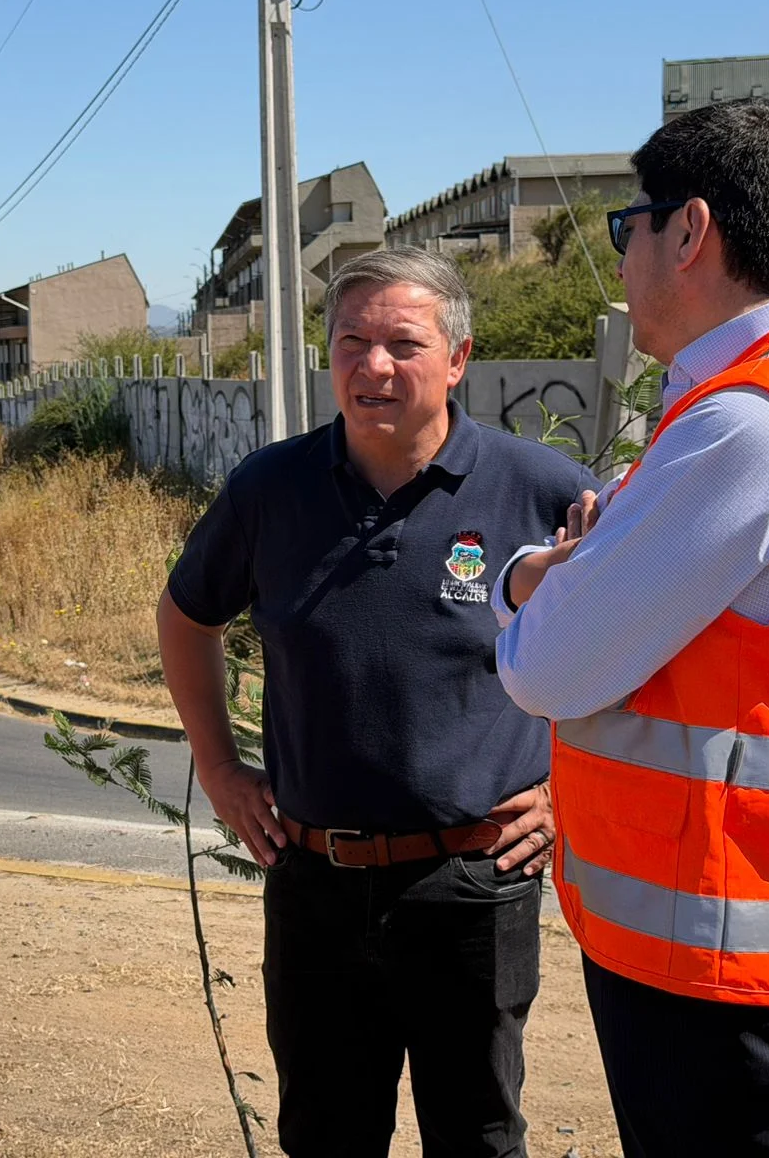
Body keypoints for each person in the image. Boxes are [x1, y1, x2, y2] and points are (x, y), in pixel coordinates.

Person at [494, 100, 769, 1158]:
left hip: (714, 934)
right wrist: (574, 572)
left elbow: (544, 667)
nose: (623, 251)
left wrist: (531, 576)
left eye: (624, 225)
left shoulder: (746, 423)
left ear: (688, 233)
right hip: (732, 918)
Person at [158, 248, 599, 1157]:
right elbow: (185, 616)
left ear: (459, 357)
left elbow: (624, 662)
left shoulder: (544, 492)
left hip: (476, 886)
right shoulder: (269, 490)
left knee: (477, 1136)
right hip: (315, 881)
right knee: (324, 1136)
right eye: (352, 342)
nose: (375, 366)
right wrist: (218, 768)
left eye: (404, 342)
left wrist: (572, 793)